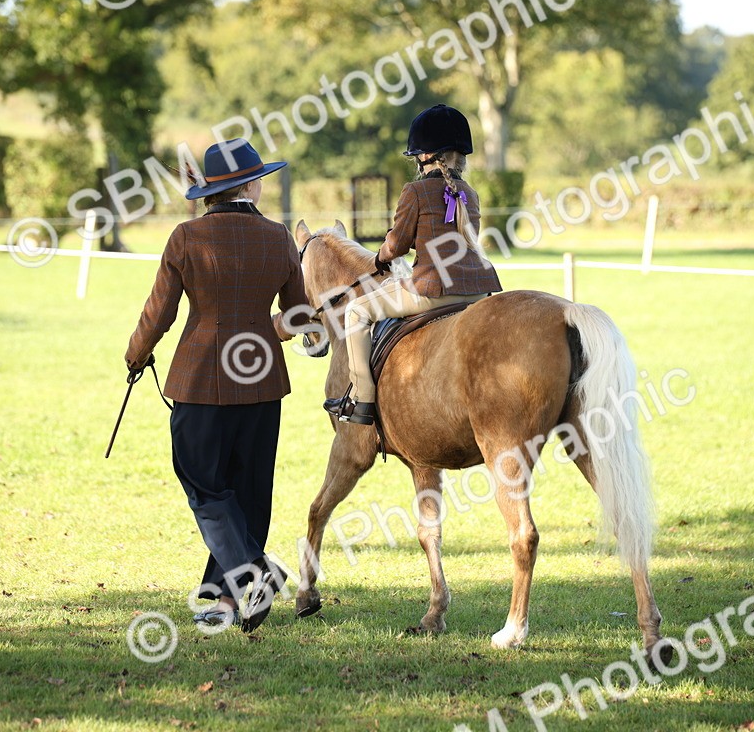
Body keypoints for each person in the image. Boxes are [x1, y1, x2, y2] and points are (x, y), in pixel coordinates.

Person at [124, 139, 309, 632]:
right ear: (248, 185)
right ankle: (224, 601)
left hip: (200, 378)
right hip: (262, 381)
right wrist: (260, 333)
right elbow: (298, 314)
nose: (263, 183)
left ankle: (255, 576)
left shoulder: (186, 237)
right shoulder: (279, 238)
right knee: (248, 492)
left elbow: (158, 312)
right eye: (260, 177)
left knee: (205, 485)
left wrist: (135, 354)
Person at [324, 104, 503, 425]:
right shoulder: (470, 193)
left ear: (423, 156)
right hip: (479, 292)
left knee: (356, 312)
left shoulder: (416, 191)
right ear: (460, 156)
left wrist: (380, 258)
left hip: (434, 291)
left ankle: (362, 399)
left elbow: (397, 245)